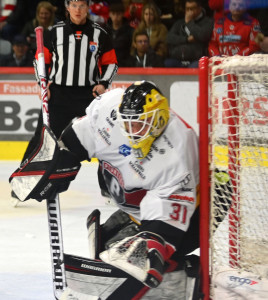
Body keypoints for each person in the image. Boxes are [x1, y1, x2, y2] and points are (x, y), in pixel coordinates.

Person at [12, 81, 199, 299]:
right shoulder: (109, 108)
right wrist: (58, 160)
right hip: (138, 206)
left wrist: (147, 247)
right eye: (127, 124)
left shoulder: (178, 151)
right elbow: (79, 137)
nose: (131, 132)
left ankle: (188, 279)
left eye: (138, 125)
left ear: (157, 121)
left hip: (194, 211)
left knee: (141, 265)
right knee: (108, 247)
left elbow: (165, 224)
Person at [18, 0, 118, 199]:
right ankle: (25, 182)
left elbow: (111, 62)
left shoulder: (100, 33)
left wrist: (103, 83)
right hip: (59, 95)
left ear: (88, 7)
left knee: (104, 139)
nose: (78, 10)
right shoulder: (55, 32)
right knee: (43, 137)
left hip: (89, 96)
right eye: (74, 5)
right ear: (67, 7)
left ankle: (110, 187)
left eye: (82, 5)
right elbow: (41, 61)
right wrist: (43, 83)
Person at [165, 0, 213, 68]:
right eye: (187, 9)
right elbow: (169, 38)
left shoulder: (208, 22)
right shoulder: (180, 23)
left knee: (194, 67)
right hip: (178, 59)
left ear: (199, 8)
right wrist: (186, 39)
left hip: (196, 60)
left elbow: (203, 36)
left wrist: (189, 23)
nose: (189, 11)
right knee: (167, 63)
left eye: (192, 8)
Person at [106, 2, 134, 67]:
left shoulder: (130, 31)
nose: (115, 17)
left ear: (123, 14)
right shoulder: (104, 31)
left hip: (124, 66)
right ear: (109, 14)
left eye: (118, 14)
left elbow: (132, 51)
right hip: (107, 65)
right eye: (113, 14)